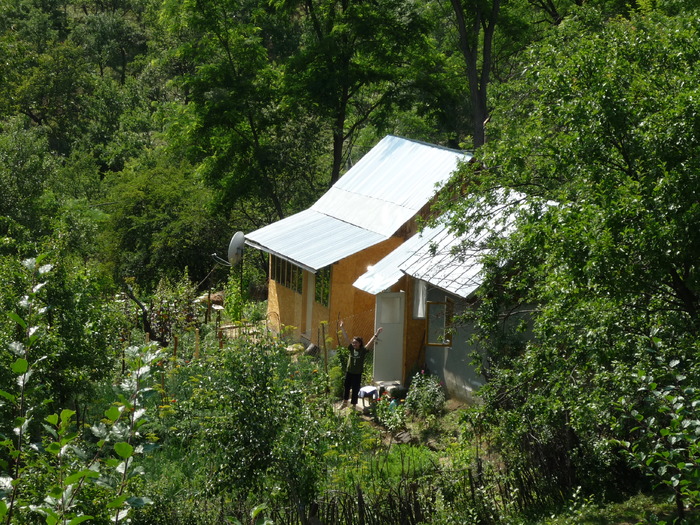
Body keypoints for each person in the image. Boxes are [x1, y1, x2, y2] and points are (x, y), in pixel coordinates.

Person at [339, 320, 383, 408]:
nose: (354, 344)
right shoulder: (351, 348)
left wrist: (377, 333)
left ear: (359, 344)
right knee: (347, 387)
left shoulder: (363, 351)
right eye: (353, 342)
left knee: (355, 389)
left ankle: (354, 406)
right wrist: (342, 328)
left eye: (356, 342)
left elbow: (370, 342)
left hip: (357, 373)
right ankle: (344, 403)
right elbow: (346, 338)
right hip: (349, 372)